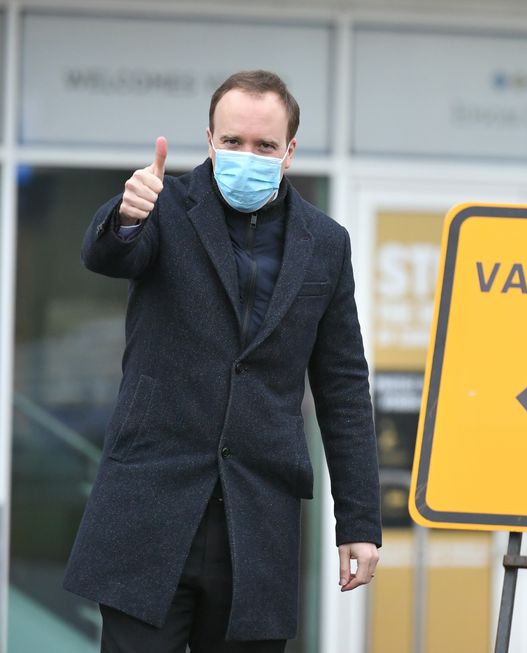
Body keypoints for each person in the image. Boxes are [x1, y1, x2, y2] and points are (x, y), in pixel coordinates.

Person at [64, 70, 381, 652]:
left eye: (264, 146)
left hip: (257, 525)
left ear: (289, 152)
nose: (247, 155)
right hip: (149, 512)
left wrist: (359, 521)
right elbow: (108, 254)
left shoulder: (326, 242)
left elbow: (342, 388)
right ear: (209, 140)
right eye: (233, 142)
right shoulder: (162, 207)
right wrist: (128, 215)